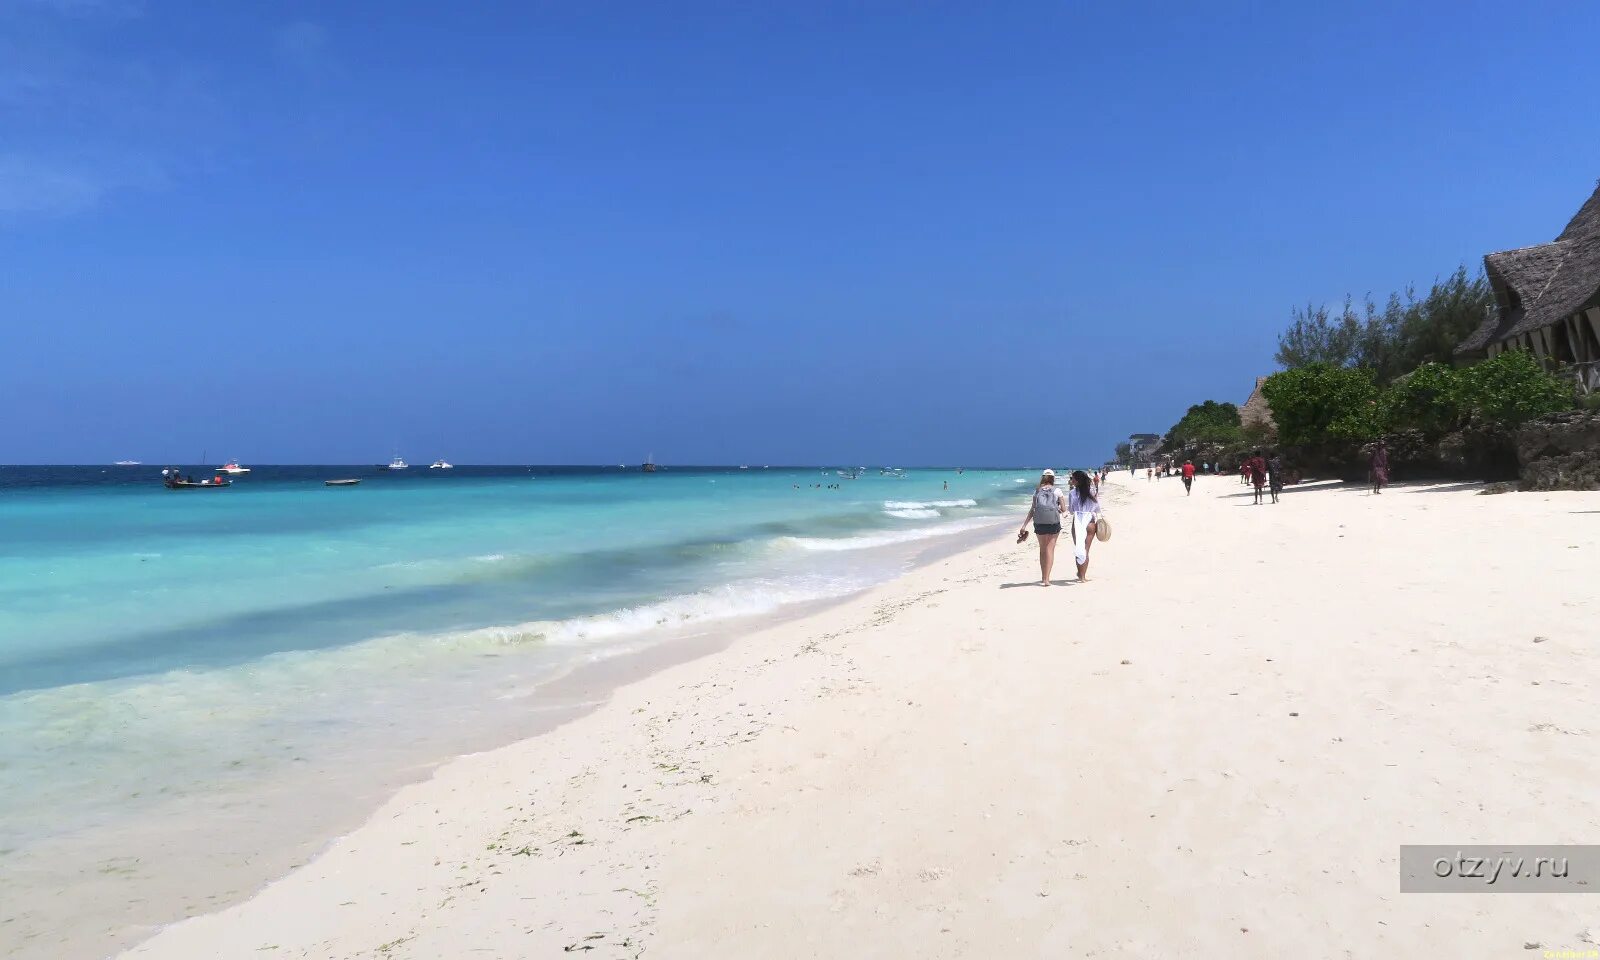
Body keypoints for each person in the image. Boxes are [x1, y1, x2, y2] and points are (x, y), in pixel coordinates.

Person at [1017, 468, 1067, 586]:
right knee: (1050, 550)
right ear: (1053, 478)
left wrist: (1024, 525)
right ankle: (1047, 580)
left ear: (1043, 478)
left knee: (1042, 549)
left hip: (1039, 523)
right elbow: (1064, 510)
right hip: (1053, 523)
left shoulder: (1037, 491)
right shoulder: (1057, 491)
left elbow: (1033, 510)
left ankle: (1043, 576)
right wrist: (1058, 509)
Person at [1067, 470, 1102, 582]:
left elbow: (1071, 511)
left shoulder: (1072, 493)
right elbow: (1097, 508)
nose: (1071, 480)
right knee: (1085, 549)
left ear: (1077, 480)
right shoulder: (1092, 491)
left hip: (1078, 521)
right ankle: (1083, 577)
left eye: (1072, 478)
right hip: (1090, 521)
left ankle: (1080, 574)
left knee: (1079, 548)